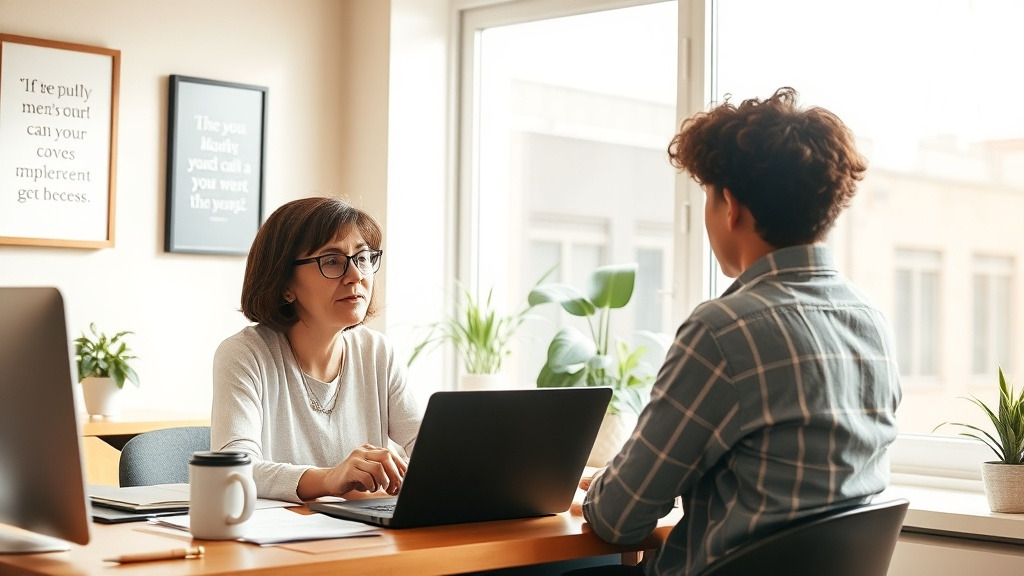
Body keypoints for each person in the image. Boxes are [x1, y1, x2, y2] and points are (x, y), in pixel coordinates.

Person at [571, 87, 902, 575]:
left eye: (706, 195)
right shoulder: (871, 322)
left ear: (730, 205)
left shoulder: (723, 331)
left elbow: (619, 517)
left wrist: (598, 489)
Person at [211, 196, 421, 503]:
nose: (356, 276)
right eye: (332, 261)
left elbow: (428, 449)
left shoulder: (376, 352)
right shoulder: (244, 355)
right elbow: (234, 470)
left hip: (364, 536)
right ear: (285, 285)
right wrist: (330, 477)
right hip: (278, 544)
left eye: (362, 258)